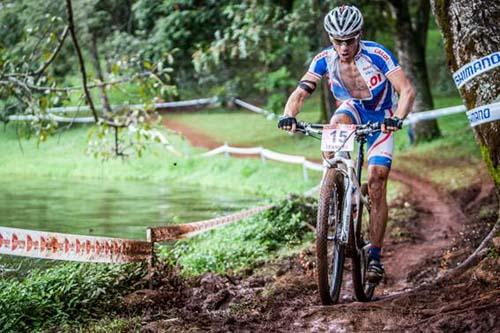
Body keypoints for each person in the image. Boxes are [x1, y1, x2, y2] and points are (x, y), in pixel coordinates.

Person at [278, 5, 415, 283]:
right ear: (330, 38)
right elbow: (301, 92)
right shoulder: (324, 59)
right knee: (337, 119)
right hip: (352, 109)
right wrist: (288, 115)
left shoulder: (376, 54)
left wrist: (398, 118)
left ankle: (375, 256)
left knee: (377, 181)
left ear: (359, 35)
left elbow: (407, 90)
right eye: (337, 40)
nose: (343, 47)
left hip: (382, 117)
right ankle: (334, 188)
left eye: (349, 40)